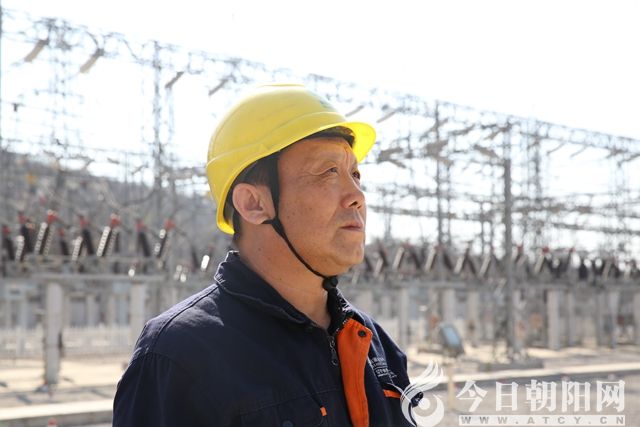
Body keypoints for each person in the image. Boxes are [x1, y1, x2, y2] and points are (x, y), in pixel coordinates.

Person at [113, 83, 412, 426]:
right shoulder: (180, 356)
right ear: (254, 203)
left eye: (355, 174)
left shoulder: (375, 346)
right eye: (329, 172)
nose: (357, 195)